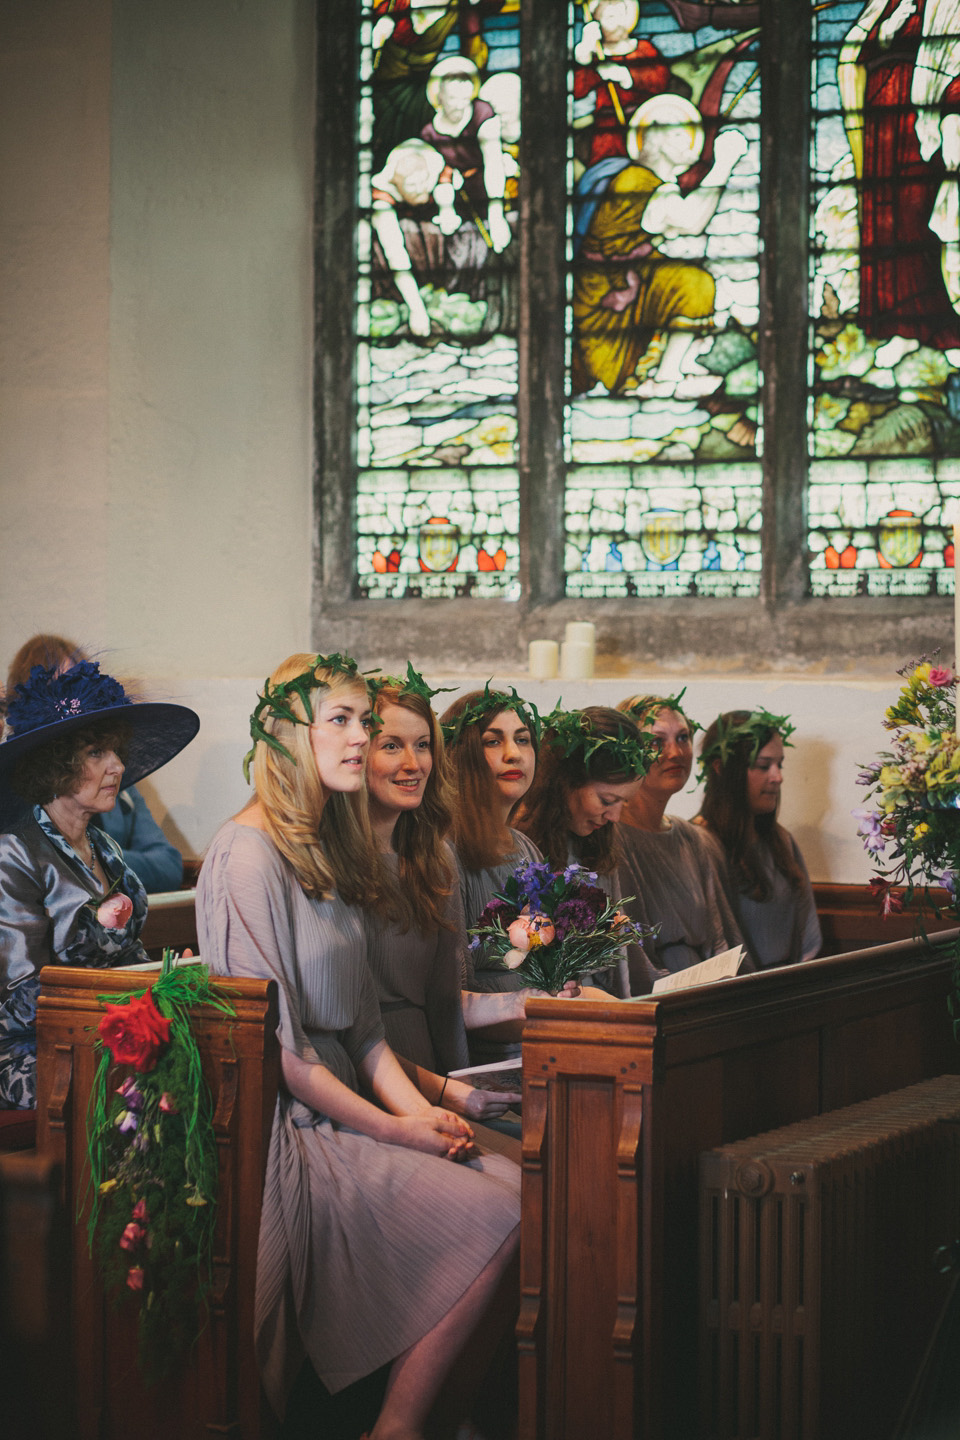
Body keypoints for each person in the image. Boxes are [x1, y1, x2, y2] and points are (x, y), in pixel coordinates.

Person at [196, 653, 520, 1437]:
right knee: (500, 1212)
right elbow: (280, 1054)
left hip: (357, 1099)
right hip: (297, 1126)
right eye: (338, 722)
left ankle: (446, 1413)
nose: (358, 740)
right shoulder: (247, 854)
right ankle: (398, 1424)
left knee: (527, 1185)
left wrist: (424, 1113)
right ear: (285, 736)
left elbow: (368, 1029)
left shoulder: (324, 846)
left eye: (360, 722)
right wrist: (394, 1127)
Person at [0, 660, 199, 1109]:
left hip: (107, 1030)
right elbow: (24, 998)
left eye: (116, 751)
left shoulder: (104, 845)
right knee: (139, 1081)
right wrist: (134, 998)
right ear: (55, 765)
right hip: (30, 1050)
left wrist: (166, 978)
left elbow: (127, 957)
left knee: (198, 1056)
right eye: (96, 754)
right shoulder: (14, 852)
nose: (117, 767)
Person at [361, 669, 522, 1123]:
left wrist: (531, 1001)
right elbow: (347, 1035)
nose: (414, 764)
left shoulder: (435, 858)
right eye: (391, 745)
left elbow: (448, 1001)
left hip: (438, 1071)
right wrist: (443, 1092)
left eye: (423, 744)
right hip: (372, 1080)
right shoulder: (336, 863)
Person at [572, 93, 748, 396]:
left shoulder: (648, 183)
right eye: (680, 133)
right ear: (655, 137)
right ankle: (655, 376)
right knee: (690, 280)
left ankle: (669, 374)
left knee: (692, 281)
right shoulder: (635, 182)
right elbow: (690, 221)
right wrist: (724, 163)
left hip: (633, 283)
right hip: (604, 304)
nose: (690, 142)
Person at [5, 635, 185, 892]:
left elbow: (168, 866)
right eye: (61, 684)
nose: (75, 696)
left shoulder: (117, 786)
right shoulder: (15, 816)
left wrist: (94, 856)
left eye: (80, 680)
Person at [513, 705, 652, 996]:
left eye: (622, 803)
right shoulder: (520, 846)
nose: (614, 816)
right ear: (566, 782)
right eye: (606, 799)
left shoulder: (596, 841)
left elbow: (619, 961)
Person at [615, 693, 743, 979]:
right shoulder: (611, 837)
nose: (675, 753)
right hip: (654, 997)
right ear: (628, 752)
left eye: (683, 738)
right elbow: (628, 955)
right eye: (656, 742)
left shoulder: (690, 836)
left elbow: (720, 937)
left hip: (706, 989)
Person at [696, 709, 821, 968]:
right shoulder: (700, 844)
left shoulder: (780, 841)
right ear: (721, 768)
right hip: (736, 993)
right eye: (763, 766)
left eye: (779, 764)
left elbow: (806, 936)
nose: (778, 777)